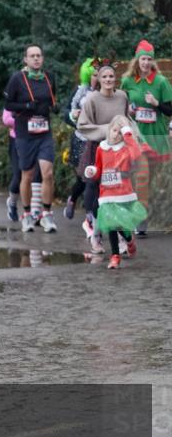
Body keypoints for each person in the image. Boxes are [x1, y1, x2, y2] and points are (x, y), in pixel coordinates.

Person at [3, 45, 59, 233]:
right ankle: (26, 215)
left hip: (44, 132)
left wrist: (54, 107)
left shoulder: (49, 77)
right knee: (26, 174)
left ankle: (46, 214)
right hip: (25, 134)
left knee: (48, 173)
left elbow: (53, 99)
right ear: (25, 59)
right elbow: (8, 104)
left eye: (39, 56)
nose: (36, 59)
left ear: (43, 58)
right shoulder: (17, 79)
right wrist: (27, 105)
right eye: (32, 56)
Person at [76, 63, 131, 254]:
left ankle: (122, 238)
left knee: (118, 194)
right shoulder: (92, 99)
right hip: (97, 149)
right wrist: (107, 130)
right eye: (104, 77)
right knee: (97, 195)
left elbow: (126, 120)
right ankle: (96, 235)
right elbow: (82, 125)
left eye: (111, 77)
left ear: (115, 79)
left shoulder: (122, 96)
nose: (108, 80)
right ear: (98, 79)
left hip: (118, 152)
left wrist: (129, 135)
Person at [120, 39, 172, 237]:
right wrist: (129, 110)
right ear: (137, 60)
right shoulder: (127, 81)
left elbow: (170, 110)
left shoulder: (160, 82)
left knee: (149, 178)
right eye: (143, 59)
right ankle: (140, 219)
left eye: (149, 59)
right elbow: (120, 106)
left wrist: (157, 103)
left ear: (152, 61)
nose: (145, 63)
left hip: (156, 136)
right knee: (140, 175)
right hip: (136, 136)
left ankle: (140, 209)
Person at [83, 116, 147, 269]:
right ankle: (115, 256)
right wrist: (92, 171)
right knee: (111, 224)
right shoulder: (101, 148)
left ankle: (129, 240)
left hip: (124, 193)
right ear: (109, 130)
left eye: (120, 132)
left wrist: (127, 133)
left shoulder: (127, 148)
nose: (116, 134)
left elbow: (136, 155)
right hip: (106, 194)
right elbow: (99, 169)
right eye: (114, 130)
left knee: (120, 225)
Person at [62, 58, 98, 219]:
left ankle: (91, 214)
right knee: (82, 177)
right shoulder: (79, 91)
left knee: (93, 176)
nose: (97, 78)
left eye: (99, 74)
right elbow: (65, 114)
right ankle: (73, 198)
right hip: (80, 138)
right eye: (94, 74)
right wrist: (73, 115)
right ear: (88, 75)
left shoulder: (107, 92)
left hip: (97, 139)